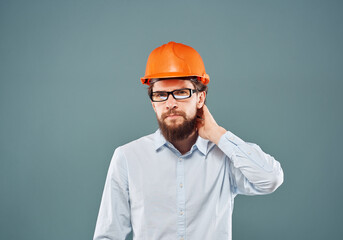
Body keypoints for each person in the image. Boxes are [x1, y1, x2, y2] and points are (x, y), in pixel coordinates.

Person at [93, 41, 284, 240]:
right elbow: (108, 235)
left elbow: (270, 179)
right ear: (153, 104)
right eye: (161, 95)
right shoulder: (128, 157)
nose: (170, 104)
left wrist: (219, 134)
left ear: (200, 99)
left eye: (181, 92)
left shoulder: (225, 155)